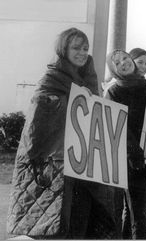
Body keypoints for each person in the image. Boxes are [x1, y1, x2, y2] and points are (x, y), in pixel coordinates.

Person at [6, 28, 120, 239]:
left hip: (87, 167)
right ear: (63, 49)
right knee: (60, 227)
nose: (82, 52)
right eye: (76, 47)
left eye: (85, 48)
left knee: (86, 225)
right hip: (59, 166)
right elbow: (36, 127)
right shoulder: (51, 80)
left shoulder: (89, 80)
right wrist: (71, 103)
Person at [104, 49, 146, 239]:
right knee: (134, 215)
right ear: (113, 69)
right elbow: (118, 128)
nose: (124, 62)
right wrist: (135, 154)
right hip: (127, 160)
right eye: (117, 62)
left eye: (125, 57)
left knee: (137, 213)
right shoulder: (113, 92)